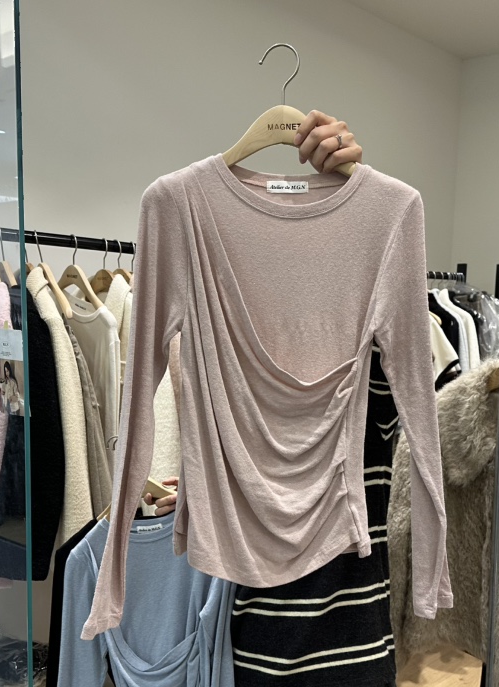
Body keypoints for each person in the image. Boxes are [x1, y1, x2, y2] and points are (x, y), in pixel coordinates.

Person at [143, 111, 363, 516]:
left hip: (329, 520)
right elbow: (141, 382)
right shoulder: (175, 204)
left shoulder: (387, 212)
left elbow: (409, 396)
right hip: (230, 520)